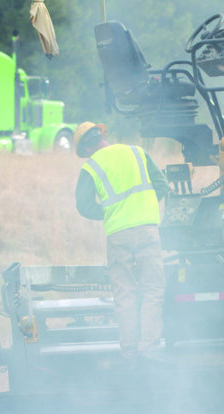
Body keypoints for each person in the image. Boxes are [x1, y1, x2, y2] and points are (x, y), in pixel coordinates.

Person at [73, 121, 170, 362]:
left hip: (119, 235)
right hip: (148, 230)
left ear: (85, 149)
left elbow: (83, 206)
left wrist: (109, 213)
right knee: (153, 290)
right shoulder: (137, 152)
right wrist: (144, 206)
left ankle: (130, 353)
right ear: (103, 137)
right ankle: (150, 350)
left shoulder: (90, 166)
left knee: (125, 294)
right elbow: (162, 185)